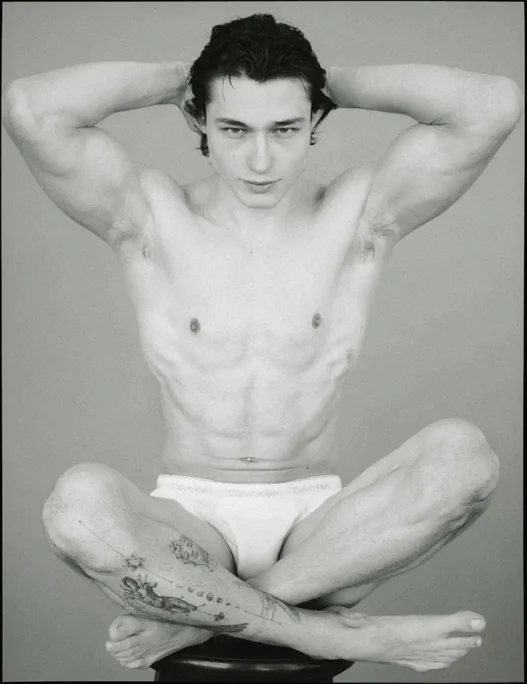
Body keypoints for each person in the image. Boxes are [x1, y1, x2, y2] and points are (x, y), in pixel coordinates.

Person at [2, 12, 522, 674]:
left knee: (464, 458)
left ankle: (197, 621)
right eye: (234, 128)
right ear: (198, 119)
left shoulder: (360, 215)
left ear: (314, 120)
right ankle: (330, 634)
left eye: (284, 128)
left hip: (324, 530)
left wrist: (323, 82)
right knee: (76, 507)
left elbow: (491, 105)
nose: (259, 159)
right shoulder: (149, 217)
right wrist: (186, 78)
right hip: (192, 523)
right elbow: (31, 109)